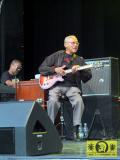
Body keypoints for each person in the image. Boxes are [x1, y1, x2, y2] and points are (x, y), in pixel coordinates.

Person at [38, 35, 92, 140]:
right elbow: (42, 68)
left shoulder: (80, 60)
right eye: (73, 43)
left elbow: (88, 77)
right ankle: (50, 128)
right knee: (52, 101)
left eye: (77, 43)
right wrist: (55, 70)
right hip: (57, 86)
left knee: (78, 101)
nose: (75, 45)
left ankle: (76, 128)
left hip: (72, 87)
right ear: (65, 45)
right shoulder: (57, 55)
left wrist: (80, 70)